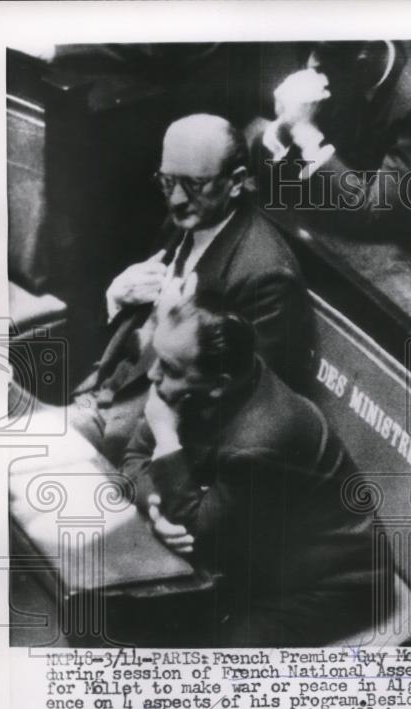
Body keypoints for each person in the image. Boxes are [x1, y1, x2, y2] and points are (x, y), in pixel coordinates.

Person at [119, 290, 386, 646]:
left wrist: (165, 436)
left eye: (168, 368)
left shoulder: (265, 438)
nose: (153, 375)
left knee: (216, 657)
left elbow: (202, 538)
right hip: (255, 548)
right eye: (157, 359)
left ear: (219, 385)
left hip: (333, 582)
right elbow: (133, 459)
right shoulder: (194, 386)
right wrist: (158, 508)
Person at [69, 113, 315, 466]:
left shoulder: (267, 277)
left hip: (145, 443)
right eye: (168, 181)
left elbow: (245, 408)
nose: (177, 199)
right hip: (103, 398)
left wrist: (176, 327)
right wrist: (116, 300)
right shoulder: (187, 218)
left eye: (196, 183)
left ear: (236, 181)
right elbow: (133, 336)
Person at [257, 40, 411, 235]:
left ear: (365, 55)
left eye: (322, 53)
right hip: (317, 217)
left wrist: (304, 131)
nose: (310, 63)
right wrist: (284, 125)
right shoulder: (333, 55)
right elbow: (266, 171)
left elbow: (376, 213)